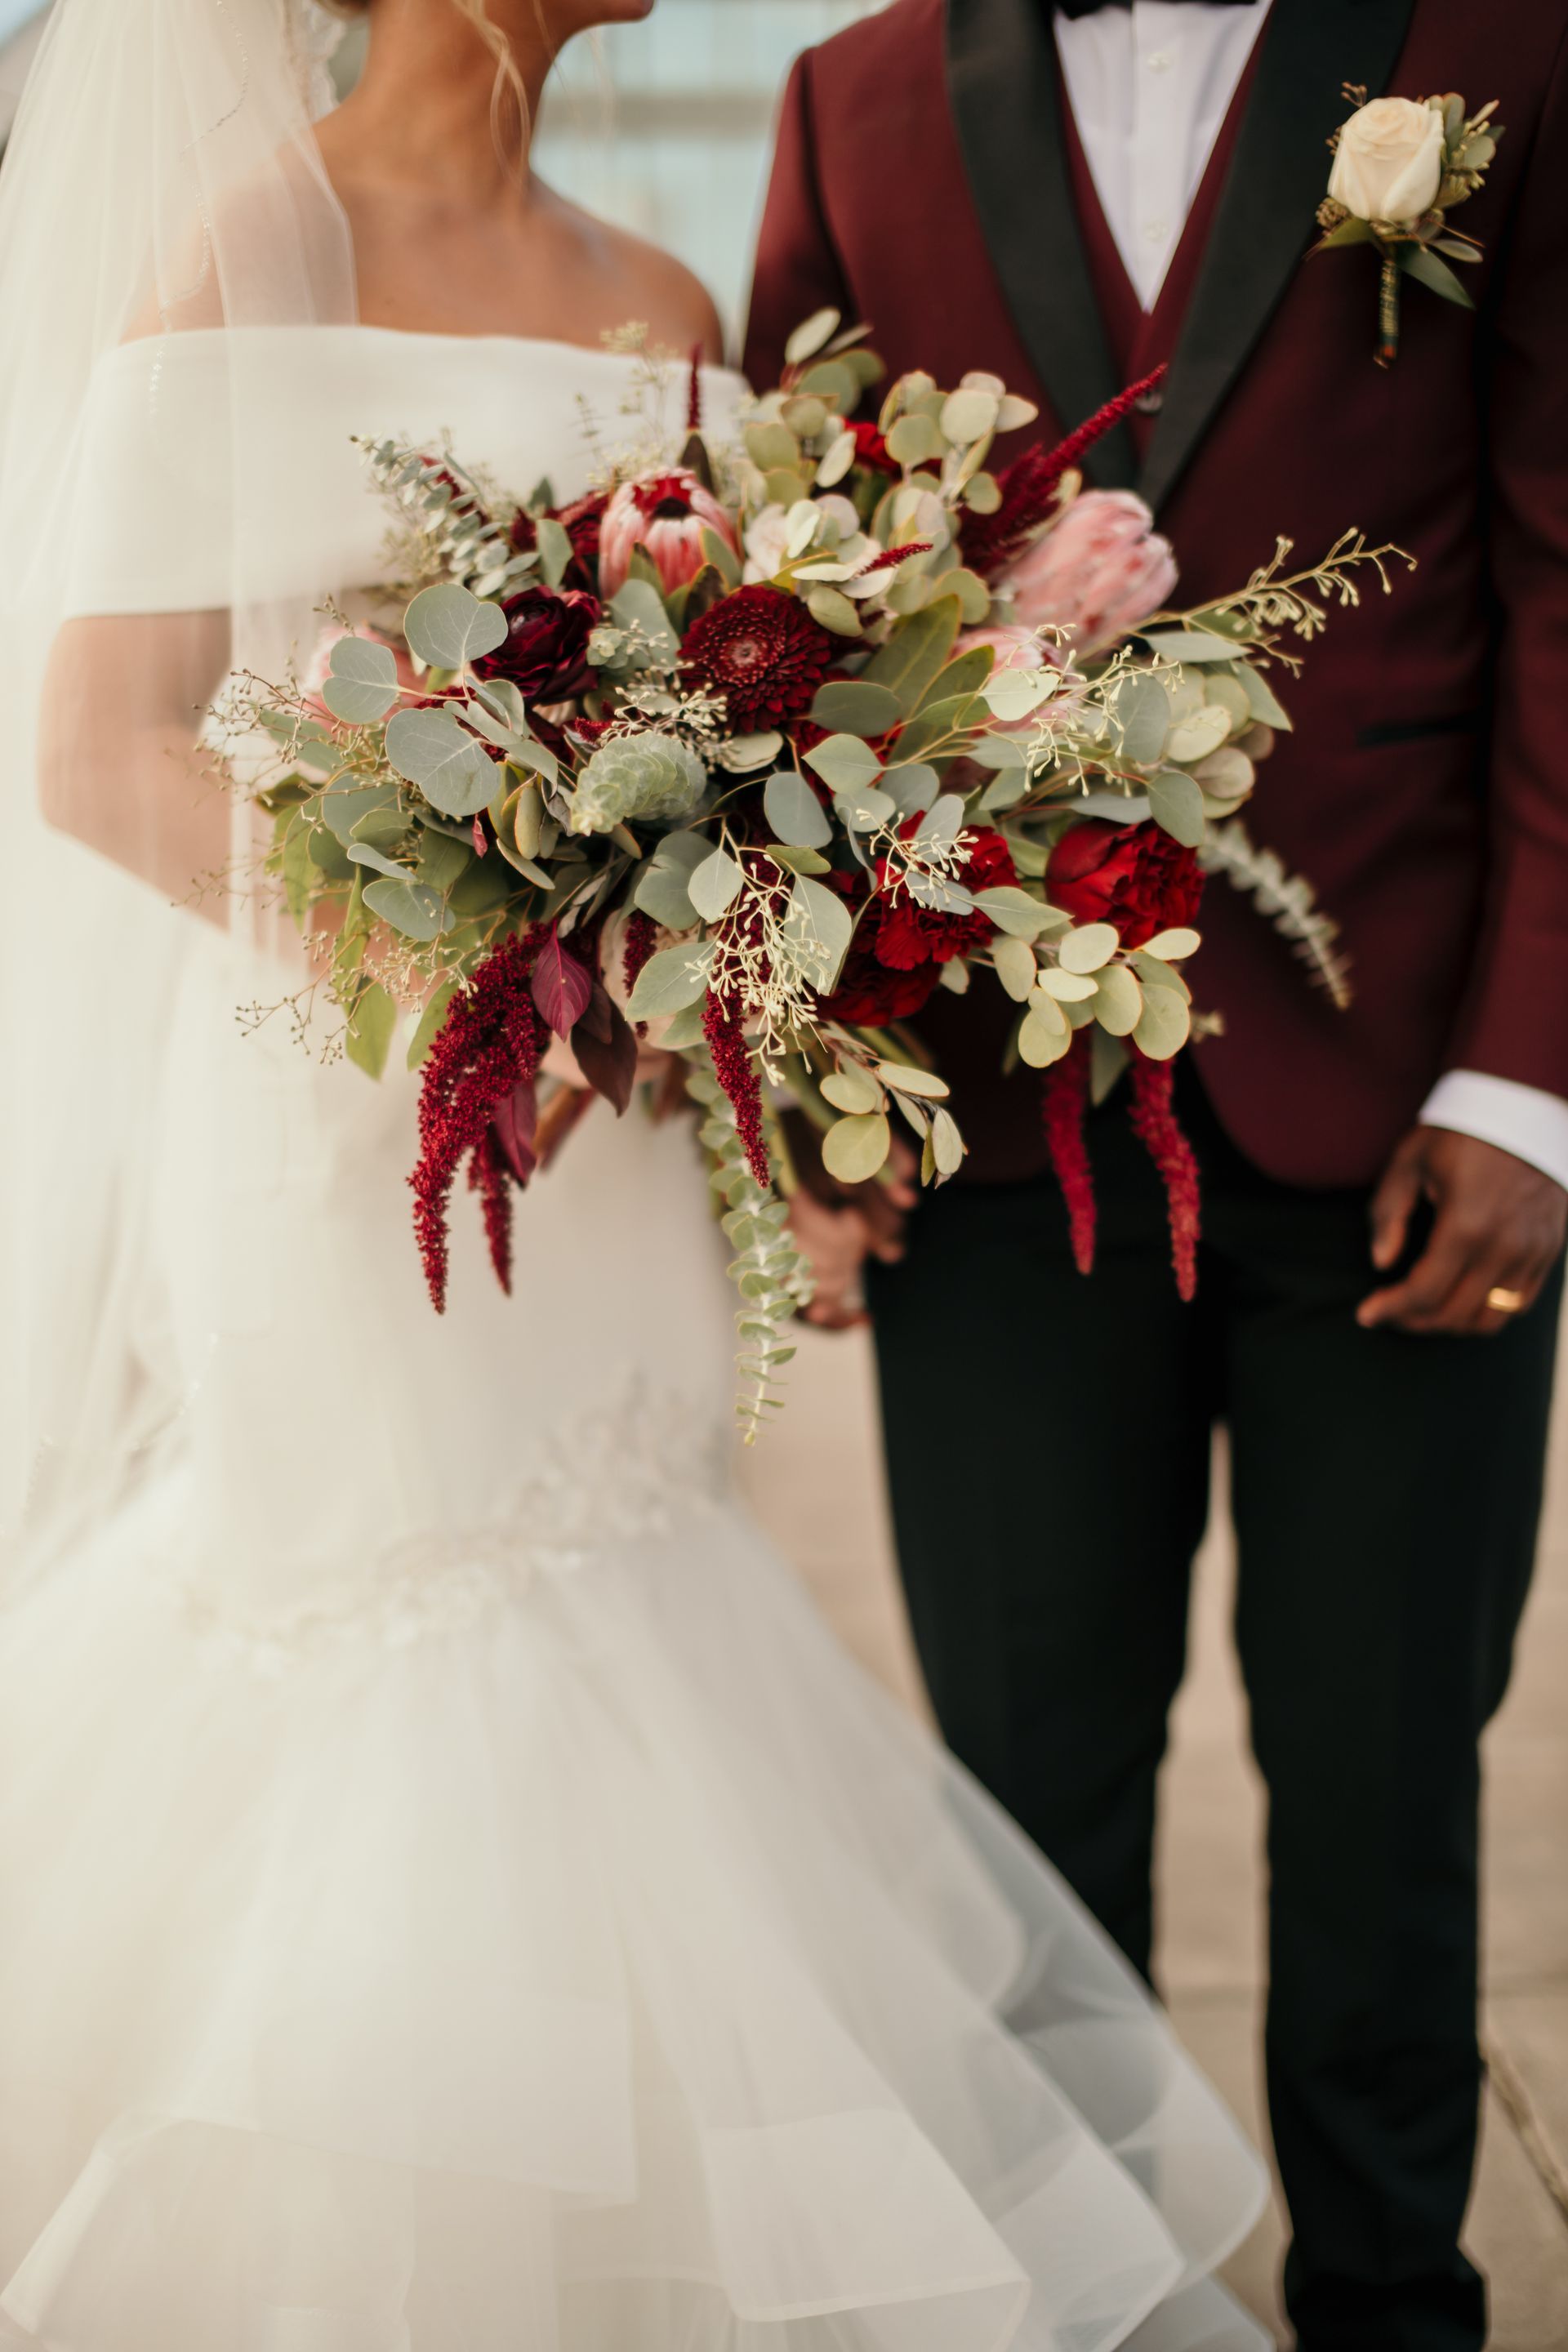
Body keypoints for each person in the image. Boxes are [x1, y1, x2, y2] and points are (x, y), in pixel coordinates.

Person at [0, 2, 1272, 2344]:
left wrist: (692, 1028)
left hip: (604, 1160)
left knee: (633, 1611)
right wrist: (462, 991)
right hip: (336, 1113)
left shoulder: (660, 303)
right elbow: (97, 751)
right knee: (413, 1634)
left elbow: (708, 756)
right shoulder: (241, 241)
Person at [744, 3, 1568, 2346]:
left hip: (1407, 1115)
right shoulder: (855, 94)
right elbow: (784, 623)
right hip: (996, 1131)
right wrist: (822, 1074)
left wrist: (1530, 1086)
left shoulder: (1506, 48)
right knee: (1026, 1824)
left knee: (1390, 1801)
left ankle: (1396, 2299)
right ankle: (1081, 2312)